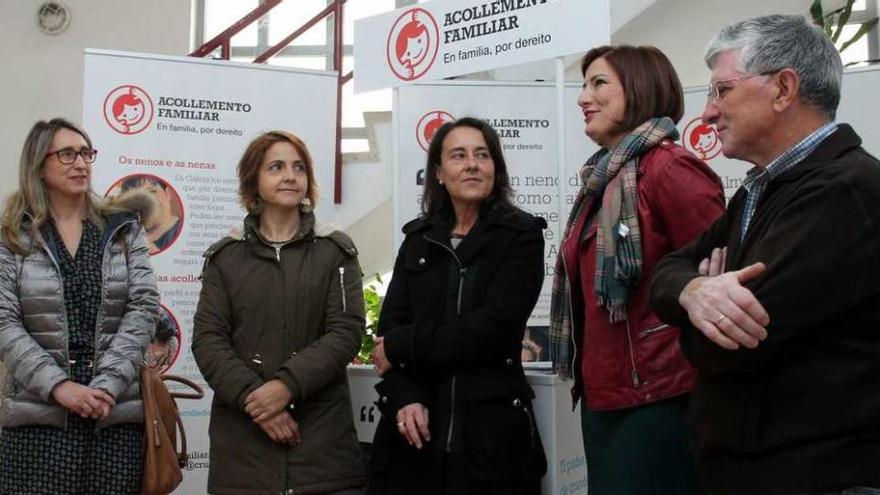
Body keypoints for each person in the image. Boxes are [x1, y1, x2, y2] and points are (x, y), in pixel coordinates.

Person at [649, 15, 880, 495]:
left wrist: (695, 320)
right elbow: (665, 274)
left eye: (722, 90)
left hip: (814, 476)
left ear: (782, 89)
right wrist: (695, 290)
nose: (708, 112)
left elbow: (726, 346)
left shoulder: (843, 191)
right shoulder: (760, 190)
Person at [548, 45, 725, 495]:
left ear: (640, 87)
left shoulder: (671, 169)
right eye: (583, 85)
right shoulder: (601, 180)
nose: (583, 97)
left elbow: (714, 281)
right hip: (607, 395)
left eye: (599, 83)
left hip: (662, 397)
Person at [368, 117, 548, 495]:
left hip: (492, 446)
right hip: (414, 445)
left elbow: (491, 331)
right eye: (459, 155)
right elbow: (387, 337)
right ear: (438, 173)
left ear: (495, 169)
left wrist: (405, 345)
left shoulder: (522, 236)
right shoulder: (417, 241)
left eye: (482, 155)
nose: (472, 164)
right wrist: (406, 397)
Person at [192, 130, 367, 495]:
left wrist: (285, 386)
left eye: (298, 167)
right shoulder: (225, 257)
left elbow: (346, 332)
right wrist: (258, 401)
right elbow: (208, 340)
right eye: (276, 167)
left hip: (322, 451)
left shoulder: (335, 250)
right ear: (253, 179)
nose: (290, 175)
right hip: (243, 451)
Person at [0, 118, 159, 494]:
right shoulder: (14, 235)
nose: (81, 163)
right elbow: (4, 320)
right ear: (39, 164)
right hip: (38, 418)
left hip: (113, 413)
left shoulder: (122, 229)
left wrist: (105, 386)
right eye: (67, 154)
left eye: (87, 153)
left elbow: (144, 307)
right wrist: (59, 387)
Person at [119, 175, 181, 254]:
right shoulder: (125, 235)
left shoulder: (180, 233)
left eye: (152, 191)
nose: (147, 200)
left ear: (167, 193)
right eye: (136, 196)